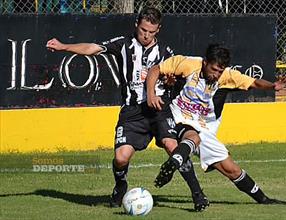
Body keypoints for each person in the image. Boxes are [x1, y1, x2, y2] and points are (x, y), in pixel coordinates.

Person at [46, 7, 209, 211]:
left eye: (151, 31)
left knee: (172, 146)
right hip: (132, 112)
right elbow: (92, 48)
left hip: (159, 110)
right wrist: (64, 46)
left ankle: (198, 194)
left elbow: (176, 79)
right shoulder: (123, 44)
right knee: (121, 158)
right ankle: (121, 185)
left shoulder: (166, 52)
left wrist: (170, 81)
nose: (146, 35)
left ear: (158, 29)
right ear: (136, 25)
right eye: (143, 30)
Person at [146, 43, 286, 205]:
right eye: (213, 70)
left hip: (202, 128)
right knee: (179, 142)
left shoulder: (227, 76)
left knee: (231, 169)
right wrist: (151, 94)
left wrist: (272, 86)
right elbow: (156, 69)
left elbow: (254, 83)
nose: (216, 75)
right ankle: (190, 185)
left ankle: (264, 200)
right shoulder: (188, 63)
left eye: (220, 71)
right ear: (205, 62)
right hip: (176, 116)